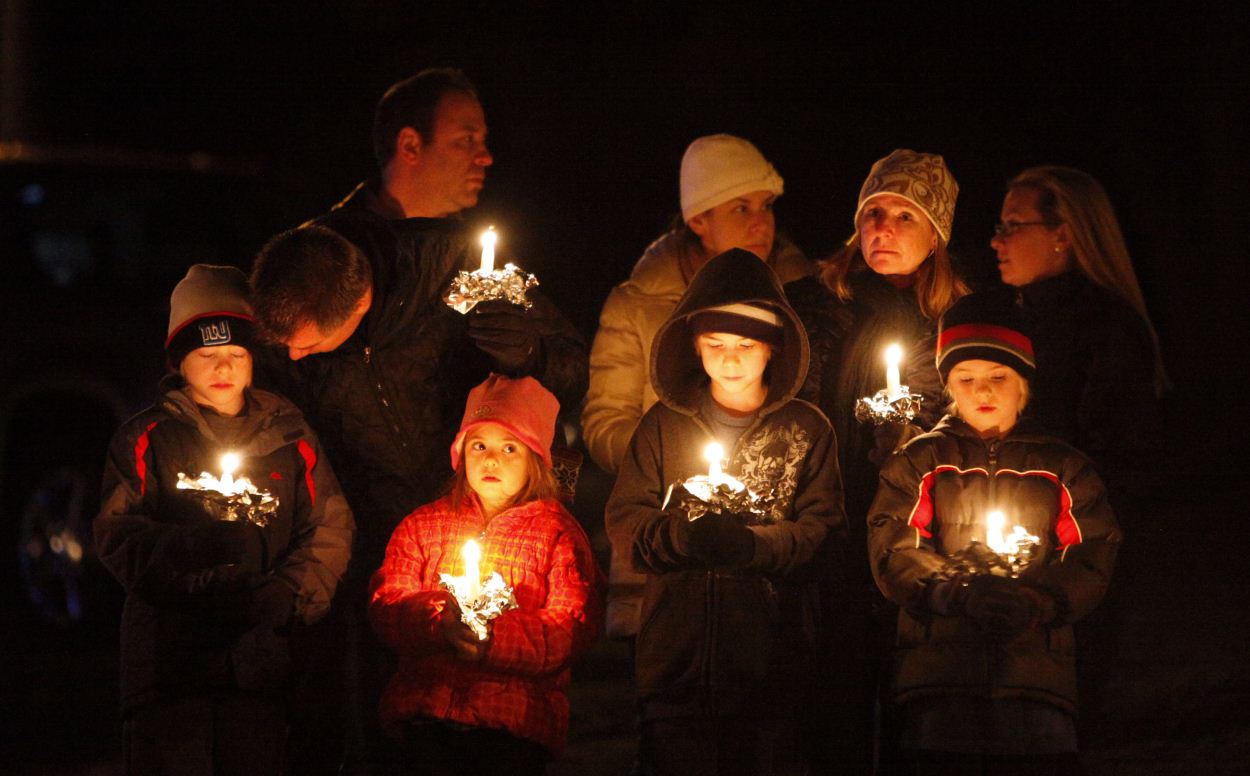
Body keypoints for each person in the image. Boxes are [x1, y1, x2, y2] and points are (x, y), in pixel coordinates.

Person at [250, 68, 588, 772]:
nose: (485, 156)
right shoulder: (325, 264)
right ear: (410, 145)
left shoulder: (473, 265)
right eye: (467, 139)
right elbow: (273, 396)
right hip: (355, 554)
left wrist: (529, 352)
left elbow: (568, 365)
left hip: (461, 541)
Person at [95, 265, 355, 775]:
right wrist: (193, 549)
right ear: (178, 360)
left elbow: (328, 525)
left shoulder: (289, 436)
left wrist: (289, 594)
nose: (224, 366)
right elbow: (117, 533)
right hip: (169, 667)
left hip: (260, 663)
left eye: (236, 353)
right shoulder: (149, 438)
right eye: (207, 354)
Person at [605, 248, 845, 775]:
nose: (730, 359)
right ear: (693, 344)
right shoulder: (663, 426)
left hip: (771, 667)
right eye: (715, 344)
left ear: (774, 348)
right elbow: (627, 520)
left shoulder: (806, 431)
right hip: (676, 666)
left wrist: (754, 546)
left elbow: (821, 531)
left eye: (746, 344)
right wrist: (682, 539)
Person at [867, 290, 1122, 775]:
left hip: (1036, 679)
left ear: (1023, 383)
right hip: (939, 677)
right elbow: (895, 546)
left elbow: (1092, 552)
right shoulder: (920, 462)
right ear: (948, 386)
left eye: (998, 378)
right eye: (966, 379)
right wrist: (956, 594)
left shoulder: (1062, 466)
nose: (982, 391)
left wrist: (1039, 602)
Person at [583, 133, 812, 643]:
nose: (762, 222)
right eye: (741, 207)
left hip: (765, 544)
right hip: (664, 545)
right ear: (698, 221)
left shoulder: (801, 300)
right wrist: (671, 466)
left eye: (767, 205)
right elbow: (605, 419)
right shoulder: (639, 304)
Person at [784, 149, 967, 772]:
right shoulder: (811, 303)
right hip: (826, 522)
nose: (882, 230)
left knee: (905, 698)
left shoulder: (954, 321)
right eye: (873, 213)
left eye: (904, 216)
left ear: (936, 234)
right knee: (828, 697)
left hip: (910, 528)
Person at [368, 374, 603, 775]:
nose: (491, 459)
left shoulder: (557, 534)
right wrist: (437, 621)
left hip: (512, 724)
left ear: (536, 460)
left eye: (509, 447)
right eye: (479, 446)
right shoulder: (423, 526)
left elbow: (570, 624)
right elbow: (388, 602)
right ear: (460, 455)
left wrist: (495, 638)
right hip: (427, 715)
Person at [990, 164, 1165, 509]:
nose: (996, 241)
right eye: (1000, 226)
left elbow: (1120, 454)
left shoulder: (1108, 328)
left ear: (1063, 236)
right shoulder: (1011, 320)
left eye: (1013, 226)